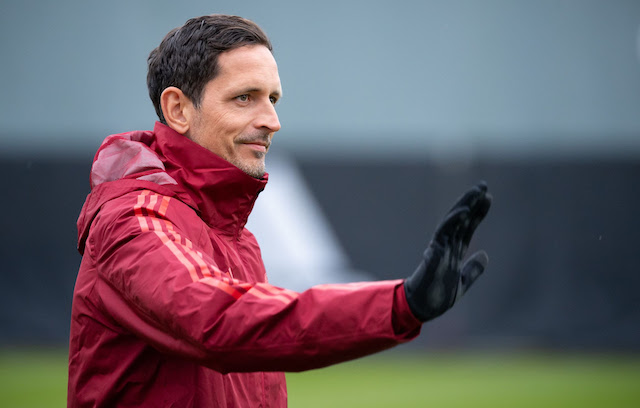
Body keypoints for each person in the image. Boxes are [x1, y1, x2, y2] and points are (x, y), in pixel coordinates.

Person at [67, 14, 492, 407]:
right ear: (178, 109)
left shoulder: (236, 237)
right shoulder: (134, 219)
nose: (272, 119)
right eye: (244, 98)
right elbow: (220, 321)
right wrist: (400, 304)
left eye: (273, 98)